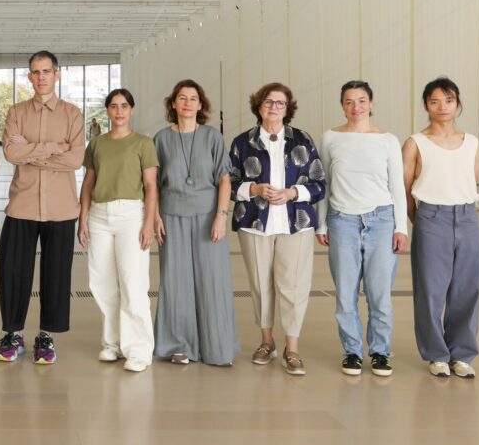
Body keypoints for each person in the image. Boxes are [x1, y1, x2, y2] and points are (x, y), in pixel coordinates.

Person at [229, 82, 325, 376]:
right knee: (260, 283)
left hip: (296, 224)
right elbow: (229, 184)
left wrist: (293, 193)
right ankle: (266, 341)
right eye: (268, 102)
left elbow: (319, 183)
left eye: (280, 103)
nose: (274, 108)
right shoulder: (242, 142)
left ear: (288, 109)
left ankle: (292, 348)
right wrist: (253, 188)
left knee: (293, 285)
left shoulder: (302, 140)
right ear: (259, 106)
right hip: (255, 223)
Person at [0, 50, 85, 364]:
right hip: (22, 204)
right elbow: (10, 153)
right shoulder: (16, 112)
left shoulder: (72, 114)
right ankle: (13, 334)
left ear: (56, 74)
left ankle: (46, 336)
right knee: (13, 272)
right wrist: (52, 148)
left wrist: (30, 150)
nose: (41, 76)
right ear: (29, 77)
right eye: (35, 72)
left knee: (56, 274)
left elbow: (75, 159)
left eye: (47, 71)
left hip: (61, 208)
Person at [317, 81, 407, 378]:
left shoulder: (388, 140)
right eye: (349, 101)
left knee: (379, 294)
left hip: (381, 220)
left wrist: (400, 227)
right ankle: (352, 351)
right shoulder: (330, 138)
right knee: (345, 294)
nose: (356, 107)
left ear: (371, 102)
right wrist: (321, 222)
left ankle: (380, 351)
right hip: (342, 220)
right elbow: (324, 184)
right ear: (342, 105)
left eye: (362, 100)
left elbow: (397, 185)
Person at [153, 80, 238, 366]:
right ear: (173, 103)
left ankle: (217, 346)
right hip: (171, 215)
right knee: (175, 281)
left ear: (200, 105)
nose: (188, 103)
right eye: (182, 98)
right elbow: (152, 183)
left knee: (212, 281)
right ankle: (180, 344)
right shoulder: (162, 139)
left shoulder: (213, 137)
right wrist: (154, 217)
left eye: (193, 98)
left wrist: (221, 216)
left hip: (208, 216)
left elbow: (224, 179)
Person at [402, 77, 479, 379]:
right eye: (434, 101)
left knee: (467, 289)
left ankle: (461, 354)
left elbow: (473, 180)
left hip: (467, 216)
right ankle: (436, 353)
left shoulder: (472, 142)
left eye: (448, 100)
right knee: (430, 290)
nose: (442, 107)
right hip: (430, 217)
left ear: (457, 103)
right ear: (426, 105)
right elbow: (405, 189)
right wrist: (421, 221)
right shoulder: (415, 143)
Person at [78, 89, 159, 373]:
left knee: (132, 283)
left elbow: (151, 186)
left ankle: (138, 350)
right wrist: (83, 217)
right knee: (102, 282)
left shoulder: (143, 144)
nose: (119, 111)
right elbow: (88, 182)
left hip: (130, 216)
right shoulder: (97, 144)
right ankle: (112, 343)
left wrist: (148, 222)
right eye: (113, 106)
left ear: (132, 109)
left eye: (124, 106)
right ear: (108, 111)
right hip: (99, 215)